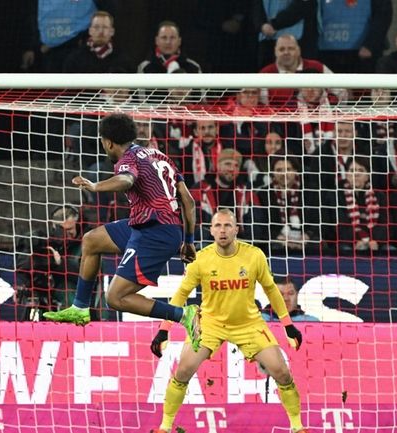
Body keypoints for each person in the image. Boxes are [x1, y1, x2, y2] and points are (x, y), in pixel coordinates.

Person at [43, 113, 201, 348]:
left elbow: (126, 180)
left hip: (154, 232)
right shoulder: (158, 155)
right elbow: (188, 200)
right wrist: (188, 241)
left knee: (115, 298)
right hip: (150, 225)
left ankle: (183, 315)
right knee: (91, 240)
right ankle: (80, 308)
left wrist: (96, 185)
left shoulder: (127, 159)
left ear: (107, 142)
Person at [150, 209, 309, 433]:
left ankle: (297, 427)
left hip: (249, 324)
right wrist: (164, 329)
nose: (222, 230)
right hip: (210, 324)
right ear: (211, 231)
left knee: (281, 372)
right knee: (183, 370)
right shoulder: (200, 259)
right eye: (217, 226)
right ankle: (164, 428)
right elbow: (181, 294)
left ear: (236, 229)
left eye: (227, 226)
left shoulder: (254, 256)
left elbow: (272, 290)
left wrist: (288, 326)